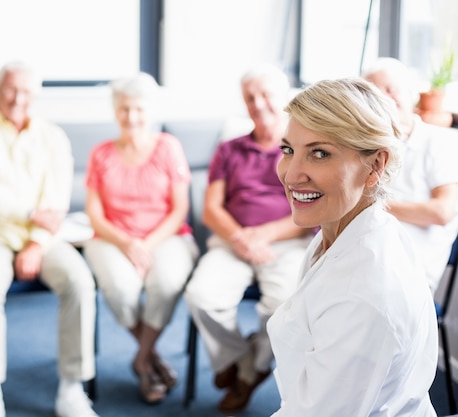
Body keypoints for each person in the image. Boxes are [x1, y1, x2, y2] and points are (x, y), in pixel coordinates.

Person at [269, 77, 438, 416]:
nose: (291, 174)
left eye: (320, 153)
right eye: (288, 150)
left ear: (375, 165)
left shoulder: (363, 295)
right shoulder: (349, 230)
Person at [0, 61, 99, 417]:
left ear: (36, 95)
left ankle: (72, 387)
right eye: (10, 89)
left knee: (80, 282)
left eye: (26, 92)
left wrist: (36, 241)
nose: (18, 99)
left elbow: (56, 199)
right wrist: (31, 212)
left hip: (44, 239)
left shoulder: (52, 136)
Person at [183, 63, 312, 414]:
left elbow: (312, 208)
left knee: (284, 306)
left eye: (266, 95)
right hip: (232, 241)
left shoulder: (303, 147)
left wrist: (265, 235)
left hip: (287, 241)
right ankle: (242, 361)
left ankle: (251, 370)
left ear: (284, 99)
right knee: (202, 297)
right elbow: (211, 210)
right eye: (250, 97)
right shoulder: (229, 149)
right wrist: (242, 238)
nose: (258, 103)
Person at [83, 72, 197, 404]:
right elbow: (95, 214)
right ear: (115, 110)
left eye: (138, 109)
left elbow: (180, 209)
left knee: (166, 282)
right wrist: (128, 244)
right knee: (121, 289)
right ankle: (153, 357)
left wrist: (145, 246)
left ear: (151, 110)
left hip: (166, 236)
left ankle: (141, 360)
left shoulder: (168, 147)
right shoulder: (100, 153)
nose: (131, 117)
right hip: (111, 237)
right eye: (124, 109)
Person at [362, 57, 458, 292]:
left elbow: (442, 212)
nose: (385, 99)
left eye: (391, 89)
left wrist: (372, 203)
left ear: (411, 93)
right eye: (375, 94)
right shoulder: (364, 146)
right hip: (365, 256)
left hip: (410, 270)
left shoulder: (439, 141)